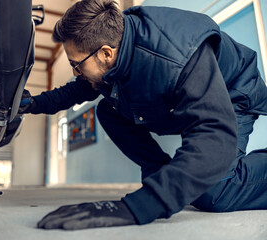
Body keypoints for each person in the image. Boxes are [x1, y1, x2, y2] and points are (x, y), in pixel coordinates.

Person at [19, 0, 267, 230]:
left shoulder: (175, 55)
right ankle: (159, 172)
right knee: (109, 110)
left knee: (214, 192)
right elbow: (76, 90)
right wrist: (31, 104)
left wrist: (139, 206)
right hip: (179, 96)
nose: (75, 72)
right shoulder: (113, 47)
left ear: (106, 53)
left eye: (77, 65)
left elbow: (213, 136)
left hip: (231, 89)